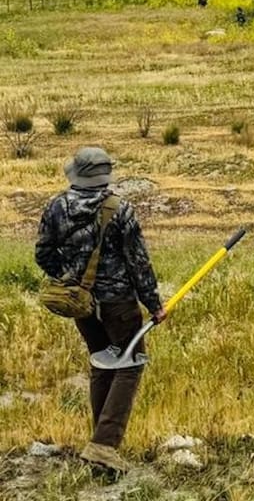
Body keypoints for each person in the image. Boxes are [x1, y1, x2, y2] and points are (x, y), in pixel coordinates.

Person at [35, 147, 166, 474]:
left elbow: (43, 254)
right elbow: (138, 263)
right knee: (130, 365)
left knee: (103, 364)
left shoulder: (56, 207)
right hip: (119, 303)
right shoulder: (121, 210)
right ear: (104, 176)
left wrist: (69, 280)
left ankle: (98, 447)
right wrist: (154, 304)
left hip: (81, 304)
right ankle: (105, 445)